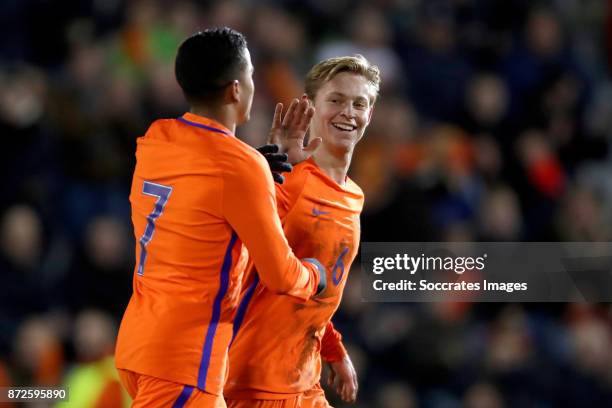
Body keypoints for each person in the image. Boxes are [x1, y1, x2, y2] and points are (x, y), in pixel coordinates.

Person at [115, 27, 327, 408]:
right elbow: (280, 275)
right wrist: (315, 275)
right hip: (185, 364)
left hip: (140, 347)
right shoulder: (239, 167)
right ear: (234, 89)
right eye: (250, 76)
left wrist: (262, 166)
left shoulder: (156, 140)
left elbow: (207, 209)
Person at [225, 55, 380, 407]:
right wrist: (269, 175)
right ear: (311, 107)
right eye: (336, 100)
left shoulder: (354, 196)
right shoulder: (290, 184)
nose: (348, 112)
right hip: (256, 385)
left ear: (369, 114)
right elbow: (236, 249)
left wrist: (333, 348)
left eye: (360, 103)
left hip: (304, 381)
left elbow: (315, 292)